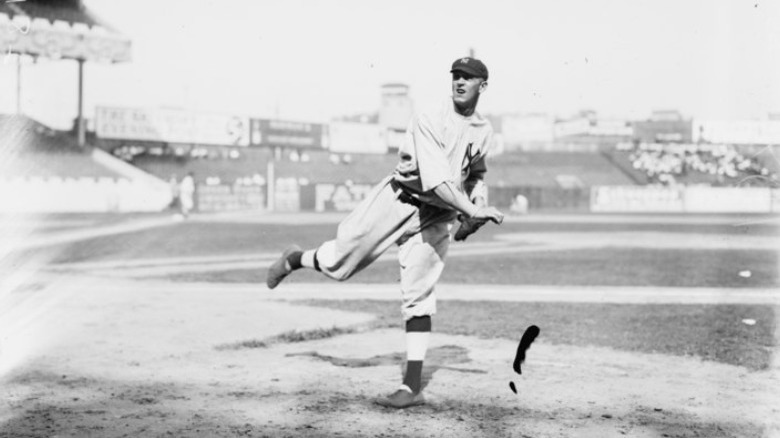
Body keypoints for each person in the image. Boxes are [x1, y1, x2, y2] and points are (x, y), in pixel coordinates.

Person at [266, 57, 504, 409]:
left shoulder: (483, 130)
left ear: (482, 86)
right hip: (399, 200)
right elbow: (437, 181)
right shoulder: (430, 119)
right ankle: (295, 258)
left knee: (419, 294)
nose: (459, 82)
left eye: (468, 78)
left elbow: (476, 172)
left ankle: (411, 387)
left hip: (437, 216)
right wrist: (471, 210)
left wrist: (477, 199)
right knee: (339, 264)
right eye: (455, 75)